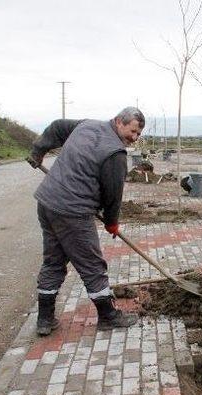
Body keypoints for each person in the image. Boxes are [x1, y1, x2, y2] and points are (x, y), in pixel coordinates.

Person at [27, 107, 145, 335]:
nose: (135, 138)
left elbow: (57, 126)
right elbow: (113, 194)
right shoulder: (115, 152)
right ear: (119, 121)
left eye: (138, 134)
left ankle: (44, 319)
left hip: (47, 202)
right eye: (132, 131)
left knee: (53, 261)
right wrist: (112, 221)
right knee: (92, 264)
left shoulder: (87, 124)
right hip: (73, 212)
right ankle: (108, 315)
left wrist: (38, 150)